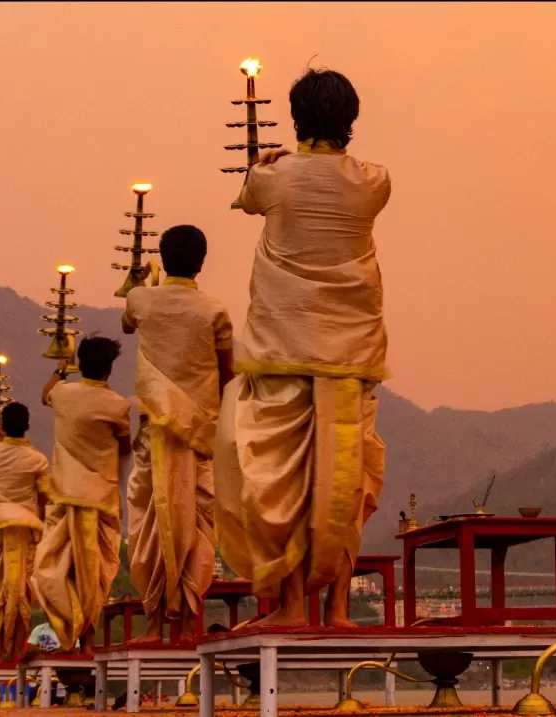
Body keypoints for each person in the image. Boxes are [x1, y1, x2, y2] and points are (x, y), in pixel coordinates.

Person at [214, 68, 390, 627]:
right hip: (351, 352)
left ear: (294, 118)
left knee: (280, 480)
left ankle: (291, 607)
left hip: (283, 349)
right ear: (353, 119)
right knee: (344, 477)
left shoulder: (273, 178)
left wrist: (263, 162)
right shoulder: (375, 180)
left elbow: (244, 199)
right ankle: (336, 608)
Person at [122, 224, 234, 642]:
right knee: (198, 525)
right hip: (203, 435)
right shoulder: (214, 311)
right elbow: (228, 375)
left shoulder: (141, 300)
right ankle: (189, 623)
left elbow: (126, 324)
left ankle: (154, 624)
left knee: (152, 523)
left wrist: (142, 282)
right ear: (202, 262)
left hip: (156, 434)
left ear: (162, 258)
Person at [32, 337, 131, 654]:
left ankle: (68, 632)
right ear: (109, 369)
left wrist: (61, 371)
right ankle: (84, 637)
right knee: (94, 573)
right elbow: (126, 447)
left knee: (55, 568)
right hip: (100, 498)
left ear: (82, 364)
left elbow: (45, 393)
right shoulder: (118, 405)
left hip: (63, 495)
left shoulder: (63, 393)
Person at [0, 402, 49, 662]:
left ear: (3, 426)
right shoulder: (38, 459)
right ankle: (16, 649)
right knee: (20, 591)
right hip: (25, 530)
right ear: (28, 426)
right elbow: (45, 497)